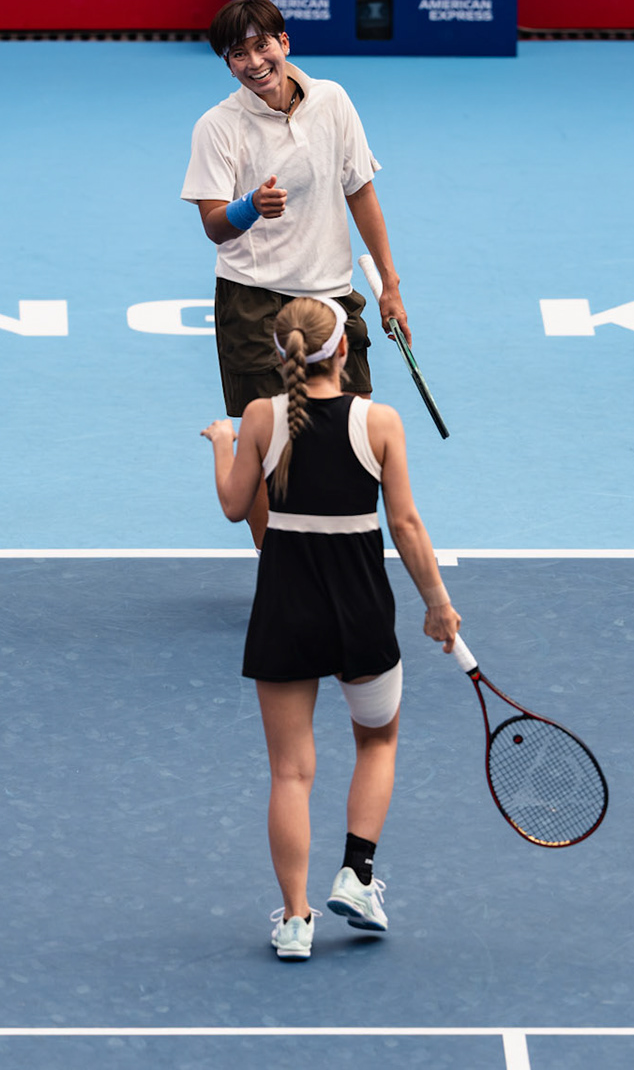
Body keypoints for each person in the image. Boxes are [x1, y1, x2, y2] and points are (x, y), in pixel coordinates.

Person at [200, 296, 460, 962]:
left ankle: (294, 920)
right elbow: (405, 526)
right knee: (378, 741)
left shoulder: (261, 417)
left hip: (286, 606)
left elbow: (235, 507)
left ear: (281, 353)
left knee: (290, 773)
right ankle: (359, 873)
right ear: (344, 351)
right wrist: (437, 602)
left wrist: (225, 442)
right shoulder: (379, 422)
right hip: (362, 608)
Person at [183, 0, 415, 548]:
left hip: (331, 298)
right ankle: (277, 568)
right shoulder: (217, 127)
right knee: (266, 447)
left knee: (351, 433)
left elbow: (360, 190)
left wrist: (390, 286)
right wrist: (248, 208)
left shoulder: (333, 101)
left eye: (261, 45)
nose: (253, 62)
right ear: (227, 64)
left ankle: (345, 550)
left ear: (284, 44)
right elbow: (215, 226)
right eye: (237, 54)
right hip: (253, 301)